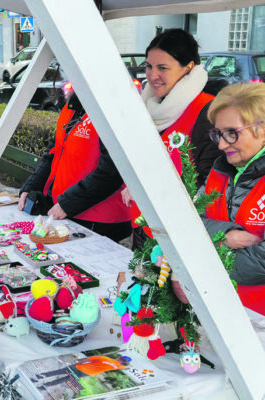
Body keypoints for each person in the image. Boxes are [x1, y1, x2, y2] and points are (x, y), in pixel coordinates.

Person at [123, 28, 222, 248]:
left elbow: (208, 184)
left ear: (188, 69)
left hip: (177, 237)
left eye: (162, 68)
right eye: (149, 66)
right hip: (143, 227)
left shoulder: (207, 112)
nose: (152, 75)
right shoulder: (146, 106)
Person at [18, 95, 132, 242]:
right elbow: (53, 153)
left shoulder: (113, 111)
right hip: (66, 213)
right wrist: (30, 187)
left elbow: (111, 172)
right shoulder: (71, 107)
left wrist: (67, 204)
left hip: (101, 222)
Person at [202, 82, 265, 315]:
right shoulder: (220, 171)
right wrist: (226, 235)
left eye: (232, 133)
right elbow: (188, 220)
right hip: (222, 308)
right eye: (218, 134)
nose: (221, 144)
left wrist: (201, 258)